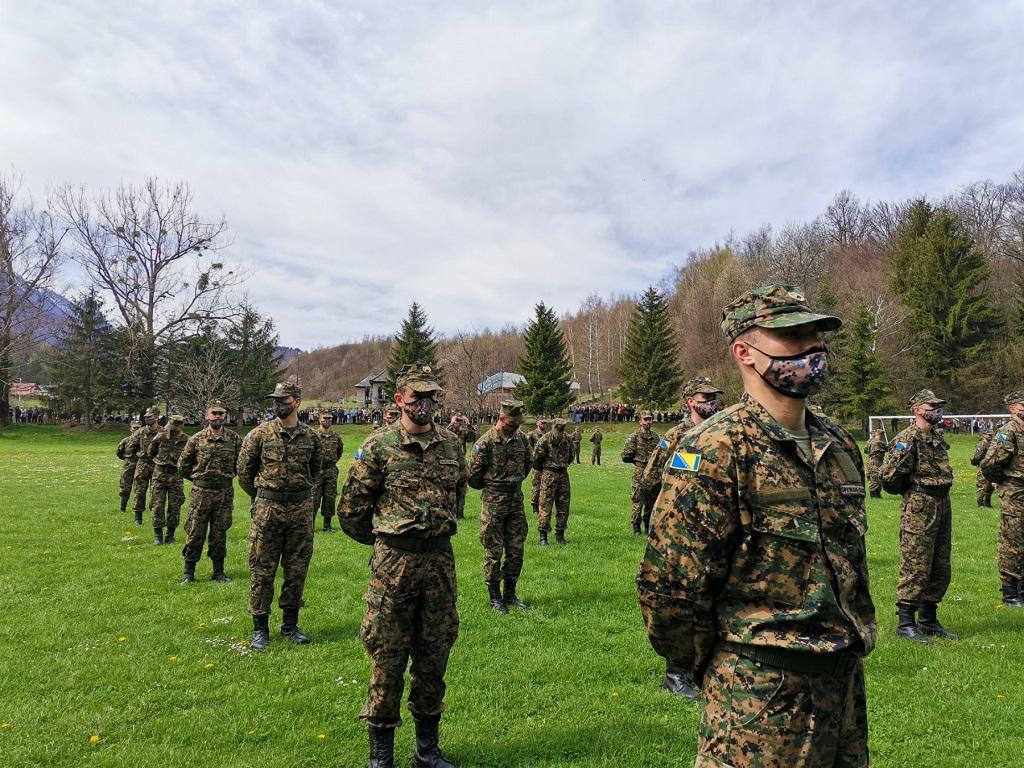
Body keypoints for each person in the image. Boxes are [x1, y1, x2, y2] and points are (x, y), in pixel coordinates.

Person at [638, 285, 876, 767]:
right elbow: (671, 590)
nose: (812, 348)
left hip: (843, 682)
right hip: (758, 693)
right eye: (791, 336)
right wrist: (721, 664)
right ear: (744, 352)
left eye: (815, 334)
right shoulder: (715, 449)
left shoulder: (839, 446)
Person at [338, 361, 464, 768]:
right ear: (399, 400)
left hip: (440, 563)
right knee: (387, 658)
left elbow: (456, 498)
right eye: (416, 397)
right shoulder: (377, 447)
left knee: (434, 656)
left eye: (431, 397)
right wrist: (387, 542)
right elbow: (352, 511)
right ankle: (381, 757)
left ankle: (427, 752)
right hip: (394, 565)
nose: (424, 404)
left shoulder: (451, 446)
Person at [637, 375, 723, 700]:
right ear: (690, 400)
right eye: (705, 396)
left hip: (715, 528)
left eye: (714, 396)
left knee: (712, 599)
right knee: (679, 601)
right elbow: (649, 478)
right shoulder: (676, 437)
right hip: (680, 532)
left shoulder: (722, 434)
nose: (712, 401)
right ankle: (676, 673)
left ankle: (705, 666)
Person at [237, 382, 323, 651]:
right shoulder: (259, 435)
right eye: (275, 400)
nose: (278, 405)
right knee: (262, 569)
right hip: (267, 511)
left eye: (283, 400)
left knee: (297, 570)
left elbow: (315, 471)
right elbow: (244, 474)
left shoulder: (311, 438)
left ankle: (290, 625)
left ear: (297, 401)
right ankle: (260, 628)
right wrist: (265, 496)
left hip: (299, 511)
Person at [880, 389, 957, 642]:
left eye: (938, 406)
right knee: (916, 562)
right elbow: (889, 477)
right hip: (920, 505)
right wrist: (914, 493)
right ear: (917, 410)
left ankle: (928, 620)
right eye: (931, 406)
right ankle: (905, 622)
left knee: (939, 562)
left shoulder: (936, 435)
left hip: (942, 502)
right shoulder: (907, 438)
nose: (936, 410)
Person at [467, 400, 531, 613]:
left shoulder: (522, 440)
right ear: (501, 418)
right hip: (494, 501)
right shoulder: (485, 443)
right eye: (512, 423)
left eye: (518, 423)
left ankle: (510, 594)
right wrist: (495, 484)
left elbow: (528, 465)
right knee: (493, 551)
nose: (516, 427)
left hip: (516, 500)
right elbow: (473, 477)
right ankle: (495, 597)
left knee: (516, 549)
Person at [178, 400, 241, 583]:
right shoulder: (196, 439)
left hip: (224, 493)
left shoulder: (234, 439)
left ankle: (218, 572)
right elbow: (183, 466)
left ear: (225, 416)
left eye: (221, 413)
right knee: (195, 531)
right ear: (207, 416)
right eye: (214, 413)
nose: (218, 417)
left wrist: (228, 476)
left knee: (219, 532)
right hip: (201, 493)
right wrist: (199, 480)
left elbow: (243, 463)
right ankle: (189, 573)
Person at [980, 392, 1024, 607]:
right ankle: (1010, 591)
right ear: (1013, 409)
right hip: (1015, 491)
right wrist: (1004, 483)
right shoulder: (1008, 431)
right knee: (1013, 541)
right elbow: (989, 464)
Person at [147, 415, 189, 545]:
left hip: (176, 475)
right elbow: (150, 452)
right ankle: (158, 535)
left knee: (174, 506)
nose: (175, 429)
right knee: (157, 505)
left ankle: (170, 535)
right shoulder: (160, 437)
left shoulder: (186, 440)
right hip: (160, 474)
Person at [533, 418, 574, 545]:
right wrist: (546, 469)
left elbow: (571, 456)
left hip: (561, 474)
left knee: (563, 505)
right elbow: (536, 458)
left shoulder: (567, 439)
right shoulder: (545, 439)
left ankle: (560, 534)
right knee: (545, 505)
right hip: (549, 474)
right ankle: (543, 536)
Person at [622, 411, 662, 535]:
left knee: (652, 500)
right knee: (637, 499)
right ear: (640, 421)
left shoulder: (656, 437)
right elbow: (626, 455)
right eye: (645, 419)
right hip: (640, 471)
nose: (648, 421)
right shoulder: (634, 437)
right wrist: (638, 463)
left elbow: (660, 454)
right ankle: (636, 526)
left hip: (653, 473)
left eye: (650, 419)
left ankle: (648, 526)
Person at [125, 408, 161, 526]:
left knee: (156, 492)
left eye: (149, 417)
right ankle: (138, 518)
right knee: (139, 491)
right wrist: (139, 456)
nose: (146, 419)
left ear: (156, 417)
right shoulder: (140, 432)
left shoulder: (164, 432)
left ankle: (155, 517)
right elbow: (130, 447)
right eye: (146, 417)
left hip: (157, 465)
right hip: (143, 464)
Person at [312, 410, 344, 532]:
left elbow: (339, 451)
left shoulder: (336, 436)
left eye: (330, 418)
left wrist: (332, 461)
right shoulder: (314, 435)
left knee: (329, 498)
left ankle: (327, 525)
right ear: (319, 419)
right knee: (314, 497)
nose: (327, 420)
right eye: (325, 418)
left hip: (331, 470)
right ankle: (311, 525)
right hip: (317, 471)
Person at [115, 420, 143, 513]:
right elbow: (119, 453)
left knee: (140, 489)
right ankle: (122, 508)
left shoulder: (144, 441)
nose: (136, 429)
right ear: (130, 429)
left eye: (138, 428)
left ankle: (138, 510)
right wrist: (127, 460)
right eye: (134, 427)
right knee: (125, 488)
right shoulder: (125, 441)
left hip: (141, 467)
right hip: (128, 467)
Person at [527, 418, 549, 516]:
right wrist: (534, 456)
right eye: (542, 423)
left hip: (547, 464)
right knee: (536, 487)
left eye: (545, 423)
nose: (543, 424)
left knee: (546, 487)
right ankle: (535, 507)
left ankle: (543, 507)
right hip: (536, 464)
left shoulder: (548, 435)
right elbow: (528, 447)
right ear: (537, 423)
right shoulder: (532, 434)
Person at [972, 426, 995, 508]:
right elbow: (976, 457)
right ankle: (980, 502)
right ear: (983, 435)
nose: (990, 436)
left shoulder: (992, 443)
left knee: (990, 486)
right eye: (989, 435)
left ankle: (987, 502)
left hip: (991, 467)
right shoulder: (982, 444)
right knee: (982, 485)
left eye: (992, 435)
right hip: (983, 468)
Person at [865, 428, 888, 498]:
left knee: (872, 477)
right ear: (880, 435)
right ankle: (874, 495)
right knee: (876, 478)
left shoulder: (869, 442)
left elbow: (865, 451)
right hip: (876, 461)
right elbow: (890, 447)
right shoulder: (879, 442)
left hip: (870, 461)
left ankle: (875, 494)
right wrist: (904, 445)